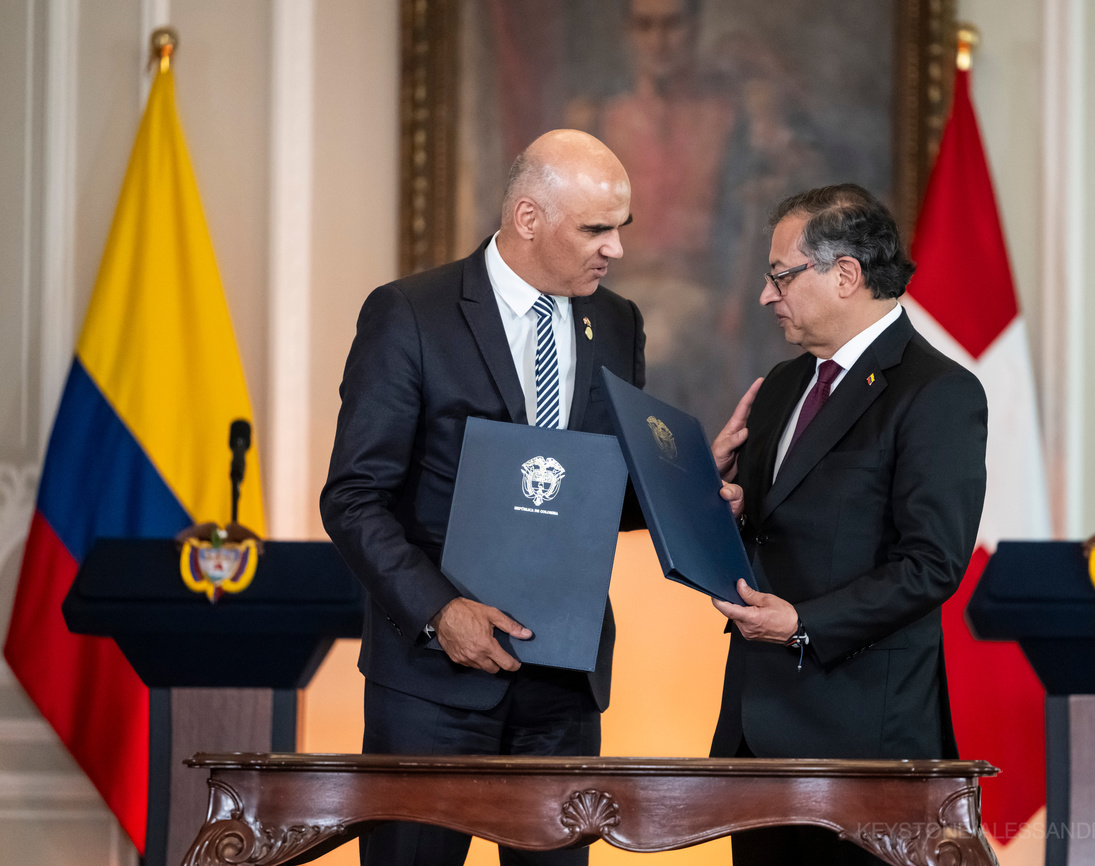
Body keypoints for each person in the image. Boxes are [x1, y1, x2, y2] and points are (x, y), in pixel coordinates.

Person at [320, 129, 644, 866]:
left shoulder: (617, 323)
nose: (615, 249)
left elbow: (593, 494)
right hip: (432, 685)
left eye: (621, 228)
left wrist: (675, 487)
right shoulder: (410, 313)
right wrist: (441, 612)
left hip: (562, 688)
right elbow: (354, 497)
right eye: (596, 229)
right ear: (528, 218)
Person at [709, 183, 988, 865]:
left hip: (862, 743)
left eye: (780, 275)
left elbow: (931, 566)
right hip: (756, 732)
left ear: (845, 274)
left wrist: (802, 623)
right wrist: (725, 505)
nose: (767, 296)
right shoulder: (779, 386)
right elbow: (772, 526)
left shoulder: (937, 391)